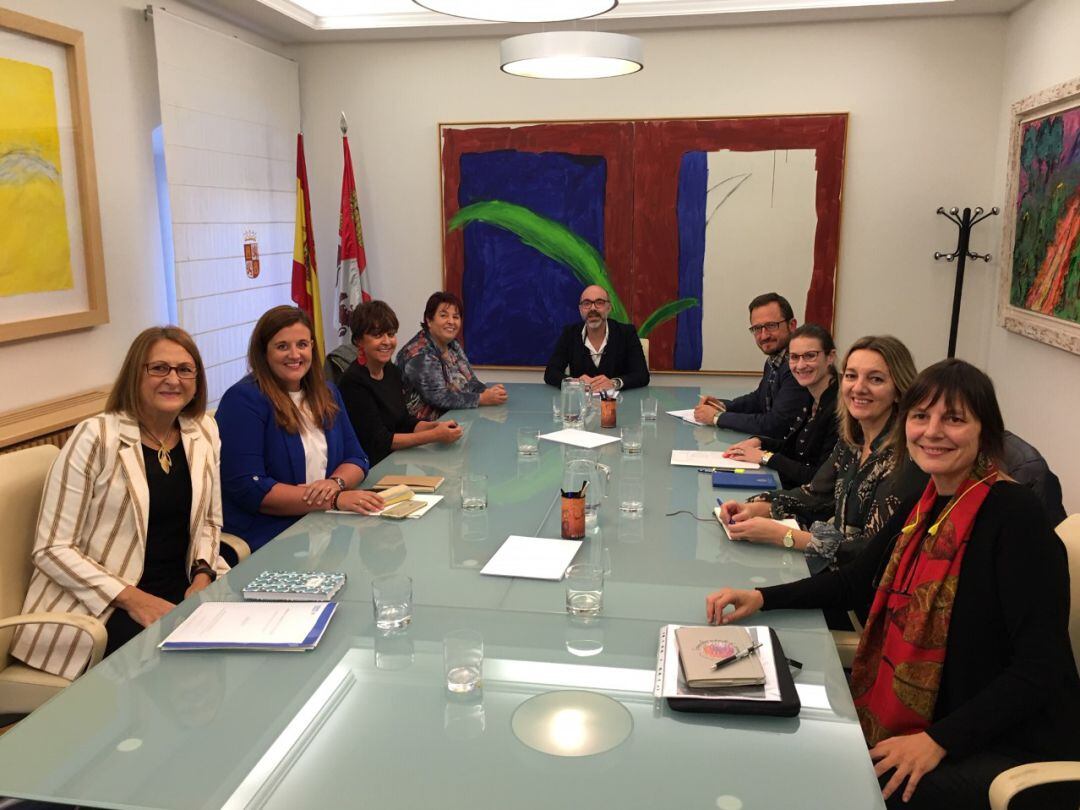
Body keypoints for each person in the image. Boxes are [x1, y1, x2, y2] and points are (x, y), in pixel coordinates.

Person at [705, 359, 1080, 810]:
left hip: (1005, 744)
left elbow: (1039, 670)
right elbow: (853, 584)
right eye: (921, 417)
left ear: (986, 431)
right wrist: (762, 597)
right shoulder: (927, 502)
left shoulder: (1016, 518)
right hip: (936, 719)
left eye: (954, 419)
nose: (933, 431)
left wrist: (937, 741)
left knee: (828, 787)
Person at [11, 327, 229, 677]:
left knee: (242, 649)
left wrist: (203, 576)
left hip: (182, 587)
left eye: (185, 369)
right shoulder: (95, 436)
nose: (173, 379)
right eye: (159, 368)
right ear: (135, 374)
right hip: (102, 606)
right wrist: (135, 600)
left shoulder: (202, 430)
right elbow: (51, 548)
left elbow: (209, 520)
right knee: (187, 672)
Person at [718, 335, 928, 574]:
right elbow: (815, 495)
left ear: (899, 391)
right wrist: (757, 507)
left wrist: (785, 536)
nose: (859, 387)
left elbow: (870, 551)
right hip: (831, 575)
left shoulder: (906, 460)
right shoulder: (852, 442)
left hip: (858, 597)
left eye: (876, 379)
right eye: (851, 376)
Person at [216, 305, 383, 553]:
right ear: (264, 352)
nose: (295, 355)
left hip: (328, 529)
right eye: (282, 346)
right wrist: (334, 499)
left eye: (302, 344)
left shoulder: (327, 392)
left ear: (312, 348)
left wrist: (335, 483)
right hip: (272, 538)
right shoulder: (243, 400)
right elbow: (251, 488)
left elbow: (357, 457)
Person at [339, 300, 463, 467]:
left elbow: (403, 422)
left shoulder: (392, 371)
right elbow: (379, 441)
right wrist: (434, 436)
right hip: (371, 469)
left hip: (396, 462)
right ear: (359, 341)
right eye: (377, 335)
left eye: (390, 334)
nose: (387, 341)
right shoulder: (353, 383)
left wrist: (436, 426)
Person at [722, 323, 839, 488]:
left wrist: (765, 457)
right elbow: (795, 448)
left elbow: (818, 477)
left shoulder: (839, 409)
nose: (800, 365)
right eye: (794, 357)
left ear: (830, 357)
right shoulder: (811, 396)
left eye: (810, 355)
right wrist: (759, 442)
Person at [694, 292, 812, 439]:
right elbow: (759, 399)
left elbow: (775, 425)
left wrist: (717, 418)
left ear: (792, 325)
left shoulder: (798, 367)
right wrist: (723, 406)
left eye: (770, 326)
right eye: (757, 328)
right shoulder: (774, 360)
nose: (763, 336)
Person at [397, 291, 508, 420]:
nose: (451, 322)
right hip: (424, 430)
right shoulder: (420, 353)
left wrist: (491, 392)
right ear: (429, 320)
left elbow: (470, 381)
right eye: (444, 316)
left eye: (456, 317)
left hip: (455, 421)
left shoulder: (453, 345)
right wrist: (482, 398)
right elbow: (439, 398)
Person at [543, 284, 650, 392]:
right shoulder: (570, 334)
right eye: (587, 303)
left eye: (599, 303)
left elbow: (642, 375)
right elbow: (550, 373)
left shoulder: (627, 333)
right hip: (580, 406)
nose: (593, 308)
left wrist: (614, 383)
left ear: (609, 308)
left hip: (618, 405)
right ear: (580, 309)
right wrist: (575, 383)